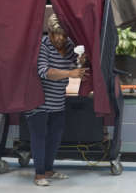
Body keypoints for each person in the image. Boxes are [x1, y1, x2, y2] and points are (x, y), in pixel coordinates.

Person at [24, 13, 87, 186]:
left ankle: (48, 170)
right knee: (39, 136)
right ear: (49, 32)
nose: (59, 38)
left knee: (55, 136)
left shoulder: (69, 46)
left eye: (63, 34)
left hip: (57, 101)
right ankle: (39, 175)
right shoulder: (43, 45)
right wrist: (70, 73)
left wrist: (80, 62)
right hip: (38, 101)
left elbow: (74, 66)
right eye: (55, 34)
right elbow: (44, 71)